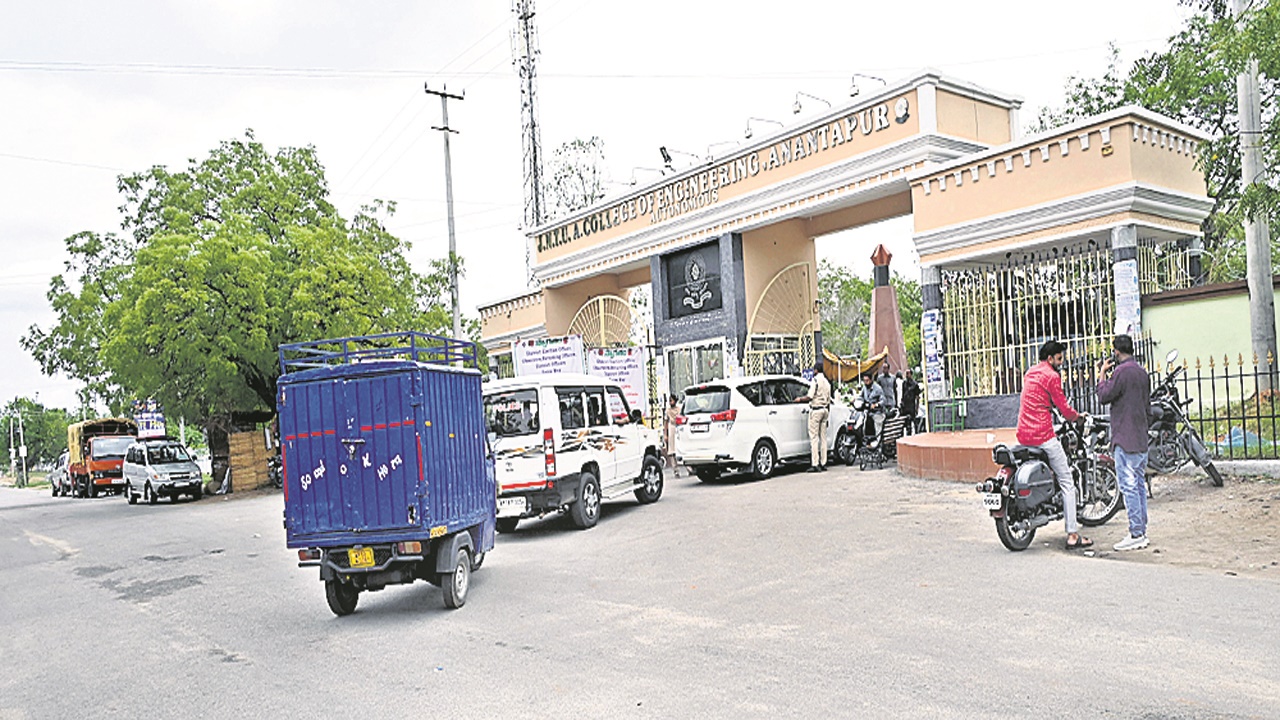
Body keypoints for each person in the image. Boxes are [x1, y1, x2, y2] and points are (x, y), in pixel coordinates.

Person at [1017, 339, 1091, 549]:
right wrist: (1077, 417)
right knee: (1067, 480)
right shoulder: (1052, 376)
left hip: (1023, 434)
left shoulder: (1030, 373)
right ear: (1050, 359)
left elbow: (1038, 400)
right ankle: (1073, 535)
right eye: (1059, 359)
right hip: (1042, 434)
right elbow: (1064, 409)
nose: (1061, 362)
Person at [1096, 334, 1151, 551]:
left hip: (1124, 437)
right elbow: (1147, 406)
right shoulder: (1141, 372)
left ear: (1117, 352)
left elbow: (1104, 395)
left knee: (1129, 487)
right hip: (1140, 436)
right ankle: (1141, 530)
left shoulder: (1120, 372)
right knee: (1138, 485)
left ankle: (1136, 533)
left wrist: (1101, 373)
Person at [795, 360, 833, 472]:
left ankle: (815, 463)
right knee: (823, 438)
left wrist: (800, 399)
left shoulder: (815, 380)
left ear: (816, 370)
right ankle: (823, 462)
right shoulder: (827, 382)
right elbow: (829, 401)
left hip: (816, 411)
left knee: (814, 438)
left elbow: (810, 396)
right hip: (825, 410)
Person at [858, 372, 887, 440]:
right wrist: (855, 400)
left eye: (867, 380)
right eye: (864, 381)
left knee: (877, 423)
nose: (865, 382)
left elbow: (883, 400)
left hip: (877, 412)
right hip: (867, 412)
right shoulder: (864, 388)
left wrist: (876, 404)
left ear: (871, 380)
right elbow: (860, 397)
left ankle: (877, 440)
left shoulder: (878, 388)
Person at [899, 368, 921, 434]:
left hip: (912, 405)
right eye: (906, 373)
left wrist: (917, 407)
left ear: (911, 374)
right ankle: (908, 433)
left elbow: (917, 397)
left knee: (914, 420)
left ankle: (916, 433)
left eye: (908, 373)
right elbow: (903, 393)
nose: (907, 375)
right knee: (906, 422)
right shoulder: (904, 383)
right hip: (905, 405)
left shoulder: (915, 384)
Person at [664, 396, 682, 476]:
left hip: (678, 428)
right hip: (671, 429)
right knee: (672, 450)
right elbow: (665, 423)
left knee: (681, 448)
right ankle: (675, 469)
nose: (670, 402)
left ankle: (689, 468)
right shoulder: (668, 411)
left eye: (671, 400)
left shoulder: (679, 410)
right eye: (669, 401)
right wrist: (665, 434)